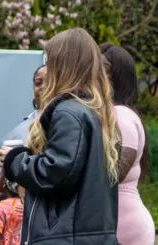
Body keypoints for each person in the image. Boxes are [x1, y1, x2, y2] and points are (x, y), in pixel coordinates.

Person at [0, 28, 121, 245]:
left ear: (61, 66)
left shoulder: (68, 112)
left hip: (64, 237)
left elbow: (57, 172)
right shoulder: (97, 113)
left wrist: (15, 160)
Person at [100, 43, 155, 245]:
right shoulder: (111, 115)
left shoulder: (121, 115)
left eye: (102, 70)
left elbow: (116, 173)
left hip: (126, 228)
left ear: (118, 76)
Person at [2, 64, 47, 202]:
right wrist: (16, 183)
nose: (42, 87)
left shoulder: (67, 120)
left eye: (49, 82)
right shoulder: (22, 128)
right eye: (38, 83)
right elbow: (9, 176)